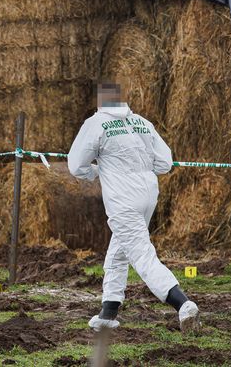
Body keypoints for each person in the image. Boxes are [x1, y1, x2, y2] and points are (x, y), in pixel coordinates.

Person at [67, 81, 201, 333]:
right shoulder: (142, 122)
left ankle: (182, 304)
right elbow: (164, 163)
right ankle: (108, 311)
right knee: (120, 250)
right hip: (148, 195)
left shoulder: (96, 124)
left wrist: (95, 172)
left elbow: (75, 166)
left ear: (99, 102)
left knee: (141, 254)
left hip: (122, 198)